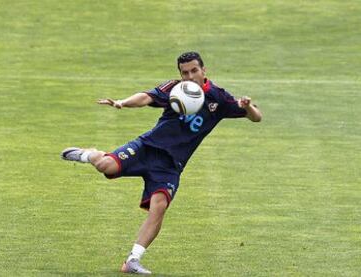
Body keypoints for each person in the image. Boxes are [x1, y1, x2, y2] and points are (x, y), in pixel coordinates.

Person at [61, 51, 262, 275]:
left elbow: (256, 117)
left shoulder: (219, 98)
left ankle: (132, 261)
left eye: (194, 71)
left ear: (204, 70)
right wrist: (122, 103)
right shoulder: (175, 89)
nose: (190, 76)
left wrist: (247, 106)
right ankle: (89, 154)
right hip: (147, 148)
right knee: (106, 166)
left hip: (171, 165)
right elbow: (146, 97)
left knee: (159, 207)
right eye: (185, 72)